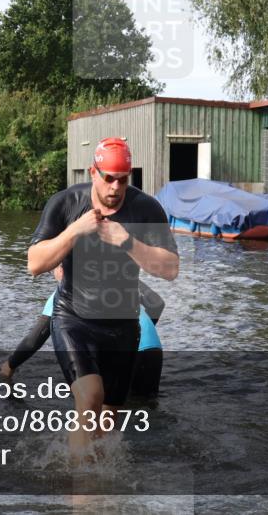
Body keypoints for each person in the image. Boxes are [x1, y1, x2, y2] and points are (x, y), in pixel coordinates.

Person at [26, 137, 178, 458]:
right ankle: (83, 492)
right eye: (108, 178)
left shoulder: (146, 208)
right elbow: (35, 264)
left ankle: (100, 484)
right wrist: (74, 231)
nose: (115, 187)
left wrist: (127, 242)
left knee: (107, 421)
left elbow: (170, 269)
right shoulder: (67, 203)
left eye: (122, 179)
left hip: (123, 326)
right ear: (93, 172)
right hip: (74, 318)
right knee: (89, 398)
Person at [2, 266, 164, 398]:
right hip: (153, 351)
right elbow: (157, 304)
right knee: (148, 410)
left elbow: (35, 338)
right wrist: (139, 334)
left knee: (110, 419)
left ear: (61, 270)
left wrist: (10, 365)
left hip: (124, 353)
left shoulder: (64, 295)